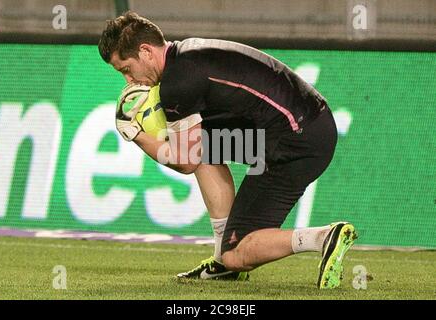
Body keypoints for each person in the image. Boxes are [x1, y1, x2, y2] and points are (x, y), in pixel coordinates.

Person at [98, 11, 358, 288]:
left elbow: (185, 162)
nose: (129, 81)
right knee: (203, 144)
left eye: (126, 69)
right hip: (306, 125)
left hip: (296, 142)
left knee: (236, 254)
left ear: (146, 52)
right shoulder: (186, 55)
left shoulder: (177, 85)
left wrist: (135, 134)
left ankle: (322, 238)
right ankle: (223, 263)